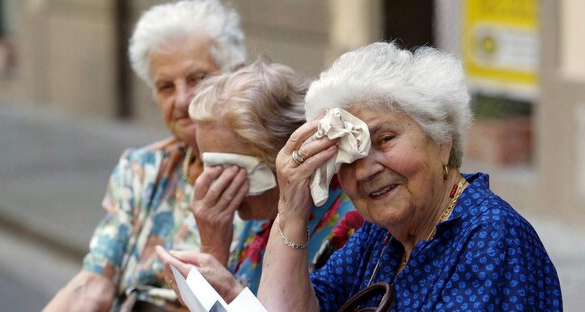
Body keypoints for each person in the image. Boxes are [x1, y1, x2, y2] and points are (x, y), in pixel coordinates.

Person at [257, 42, 562, 311]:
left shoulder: (492, 235)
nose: (365, 170)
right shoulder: (381, 235)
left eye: (385, 139)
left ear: (442, 140)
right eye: (346, 155)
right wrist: (292, 211)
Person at [44, 1, 247, 311]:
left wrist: (213, 248)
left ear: (236, 76)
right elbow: (94, 283)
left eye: (198, 79)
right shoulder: (143, 168)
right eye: (166, 86)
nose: (182, 100)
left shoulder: (264, 185)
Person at [155, 60, 364, 303]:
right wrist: (213, 251)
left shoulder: (351, 226)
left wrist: (231, 292)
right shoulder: (258, 213)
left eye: (228, 169)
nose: (212, 182)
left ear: (286, 152)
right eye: (207, 166)